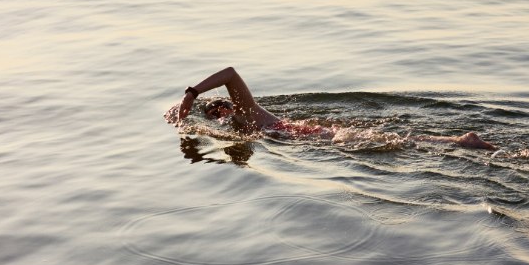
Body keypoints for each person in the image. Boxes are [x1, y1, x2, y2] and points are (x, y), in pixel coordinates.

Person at [175, 67, 498, 149]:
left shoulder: (247, 112)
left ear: (228, 106)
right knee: (394, 143)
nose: (223, 116)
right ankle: (458, 142)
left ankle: (461, 142)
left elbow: (230, 73)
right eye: (217, 116)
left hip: (313, 136)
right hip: (310, 138)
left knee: (395, 144)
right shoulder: (238, 128)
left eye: (222, 110)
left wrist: (192, 93)